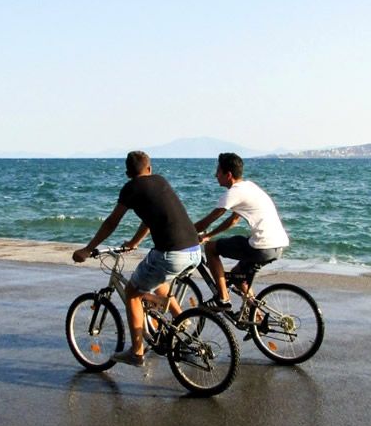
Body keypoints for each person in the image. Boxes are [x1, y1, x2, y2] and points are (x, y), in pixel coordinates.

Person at [73, 151, 201, 367]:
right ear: (149, 169)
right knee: (158, 277)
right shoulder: (160, 180)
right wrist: (134, 242)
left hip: (171, 254)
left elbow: (111, 222)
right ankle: (180, 318)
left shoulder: (130, 188)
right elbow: (151, 219)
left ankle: (137, 352)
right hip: (194, 251)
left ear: (127, 173)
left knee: (133, 293)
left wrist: (87, 249)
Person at [194, 152, 289, 312]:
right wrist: (208, 235)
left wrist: (185, 232)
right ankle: (256, 317)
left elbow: (209, 219)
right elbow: (233, 220)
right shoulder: (250, 187)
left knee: (210, 248)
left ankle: (222, 298)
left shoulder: (233, 193)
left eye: (218, 171)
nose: (215, 175)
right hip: (277, 245)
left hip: (261, 246)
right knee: (238, 276)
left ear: (228, 174)